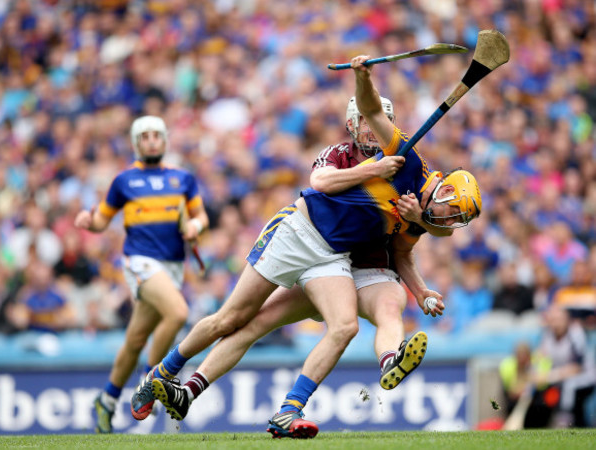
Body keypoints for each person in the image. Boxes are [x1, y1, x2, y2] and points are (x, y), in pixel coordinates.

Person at [130, 55, 482, 438]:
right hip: (297, 234)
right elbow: (322, 181)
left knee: (344, 327)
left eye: (456, 216)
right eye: (452, 211)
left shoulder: (421, 205)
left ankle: (288, 411)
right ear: (353, 124)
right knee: (231, 319)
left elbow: (429, 238)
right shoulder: (389, 158)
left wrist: (417, 236)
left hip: (333, 257)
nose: (449, 220)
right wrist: (363, 79)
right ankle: (161, 373)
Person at [74, 115, 209, 433]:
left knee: (135, 339)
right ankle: (152, 381)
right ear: (136, 143)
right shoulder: (124, 181)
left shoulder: (183, 179)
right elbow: (102, 221)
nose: (151, 141)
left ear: (164, 141)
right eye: (145, 136)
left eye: (156, 135)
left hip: (173, 266)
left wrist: (195, 225)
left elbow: (200, 215)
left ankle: (106, 400)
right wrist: (87, 221)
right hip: (140, 262)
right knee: (177, 313)